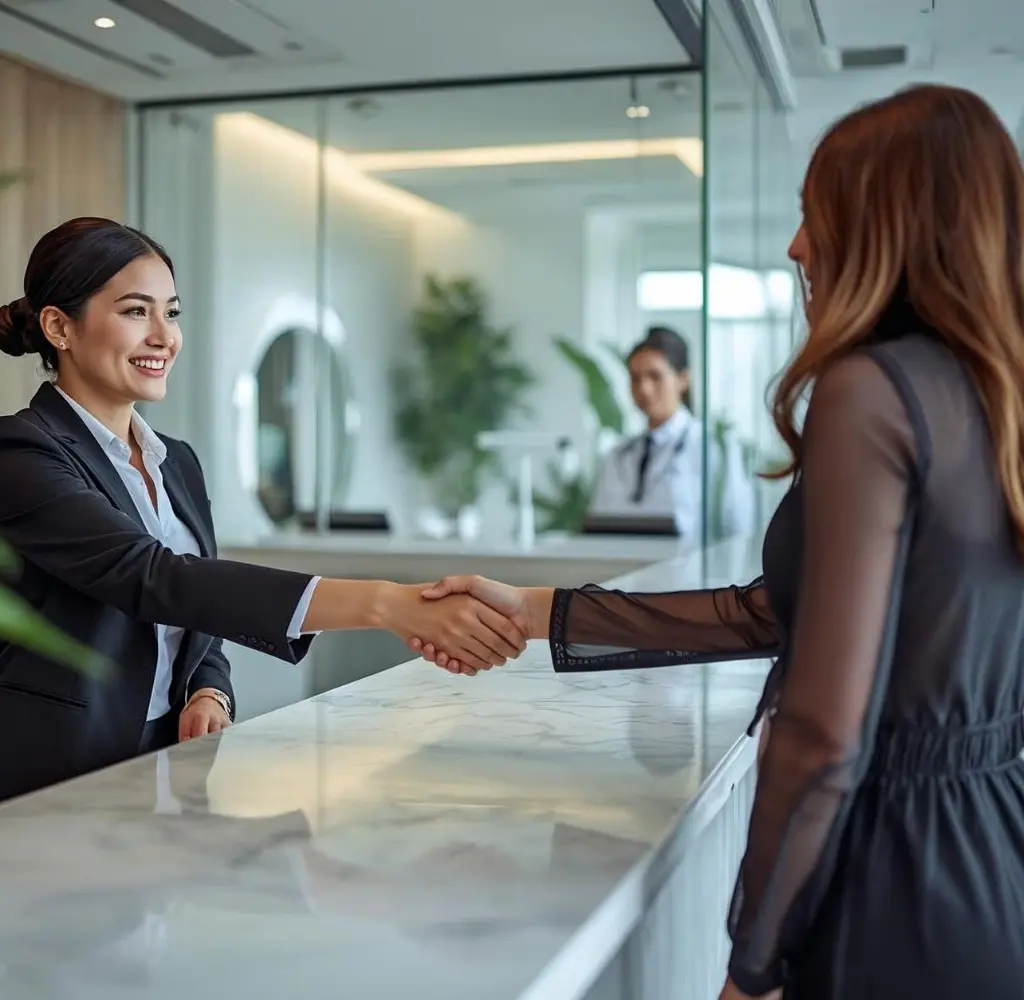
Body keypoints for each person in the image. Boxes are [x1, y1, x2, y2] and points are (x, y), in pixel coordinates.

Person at [412, 85, 1024, 999]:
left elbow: (823, 733)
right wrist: (539, 610)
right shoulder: (992, 395)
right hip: (994, 857)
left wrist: (753, 957)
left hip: (893, 881)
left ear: (884, 223)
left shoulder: (870, 392)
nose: (795, 247)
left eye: (814, 214)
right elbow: (774, 612)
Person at [0, 218, 525, 826]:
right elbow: (151, 578)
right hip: (40, 782)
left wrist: (210, 689)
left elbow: (199, 604)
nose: (164, 337)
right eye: (136, 312)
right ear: (59, 327)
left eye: (172, 313)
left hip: (163, 775)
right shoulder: (17, 450)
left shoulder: (175, 461)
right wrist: (384, 603)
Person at [590, 326, 753, 539]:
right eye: (635, 378)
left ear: (683, 379)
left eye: (655, 376)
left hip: (689, 570)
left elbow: (737, 528)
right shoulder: (618, 455)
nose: (644, 389)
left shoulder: (711, 448)